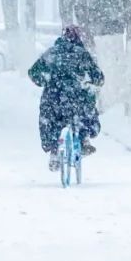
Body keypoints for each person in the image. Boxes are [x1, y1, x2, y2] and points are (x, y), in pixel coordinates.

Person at [28, 25, 104, 168]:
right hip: (75, 97)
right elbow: (98, 76)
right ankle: (84, 138)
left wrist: (45, 81)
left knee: (49, 119)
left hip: (53, 96)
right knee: (86, 109)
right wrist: (91, 82)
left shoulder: (51, 53)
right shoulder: (82, 54)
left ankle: (53, 150)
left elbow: (33, 73)